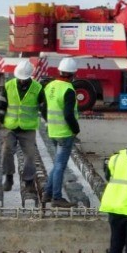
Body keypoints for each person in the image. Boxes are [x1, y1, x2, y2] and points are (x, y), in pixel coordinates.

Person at [0, 59, 45, 200]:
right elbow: (1, 103)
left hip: (28, 127)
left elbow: (44, 106)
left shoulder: (37, 88)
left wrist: (50, 123)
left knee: (30, 155)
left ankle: (29, 181)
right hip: (10, 126)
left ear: (30, 76)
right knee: (6, 151)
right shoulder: (9, 85)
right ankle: (9, 177)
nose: (22, 81)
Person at [42, 57, 82, 208]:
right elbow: (68, 114)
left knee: (57, 164)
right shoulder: (69, 90)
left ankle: (47, 193)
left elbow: (43, 109)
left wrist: (49, 122)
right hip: (65, 133)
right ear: (73, 74)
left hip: (52, 131)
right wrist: (75, 130)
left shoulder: (50, 86)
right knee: (60, 165)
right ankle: (57, 197)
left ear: (60, 71)